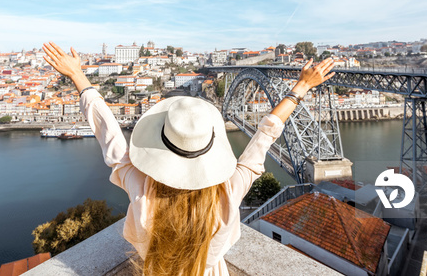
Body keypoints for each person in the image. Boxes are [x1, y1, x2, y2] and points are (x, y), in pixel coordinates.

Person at [42, 42, 335, 275]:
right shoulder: (227, 196)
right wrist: (301, 87)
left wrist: (79, 76)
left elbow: (112, 140)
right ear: (210, 147)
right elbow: (265, 135)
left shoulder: (144, 197)